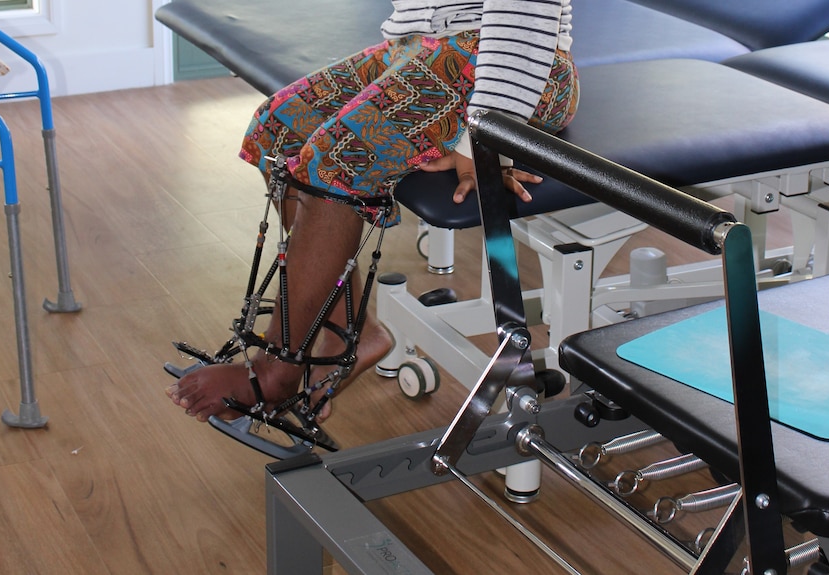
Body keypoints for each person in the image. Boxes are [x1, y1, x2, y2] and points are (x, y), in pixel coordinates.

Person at [166, 0, 579, 424]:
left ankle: (276, 371)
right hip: (420, 48)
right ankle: (348, 332)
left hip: (514, 66)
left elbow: (525, 21)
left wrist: (486, 139)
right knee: (277, 131)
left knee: (337, 157)